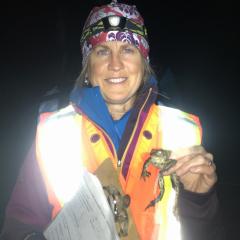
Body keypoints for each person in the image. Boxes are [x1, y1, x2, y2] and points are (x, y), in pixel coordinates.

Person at [0, 1, 225, 239]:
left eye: (127, 49)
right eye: (102, 51)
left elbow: (205, 233)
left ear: (143, 61)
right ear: (88, 66)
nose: (115, 64)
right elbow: (18, 227)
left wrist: (199, 200)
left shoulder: (181, 132)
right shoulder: (53, 134)